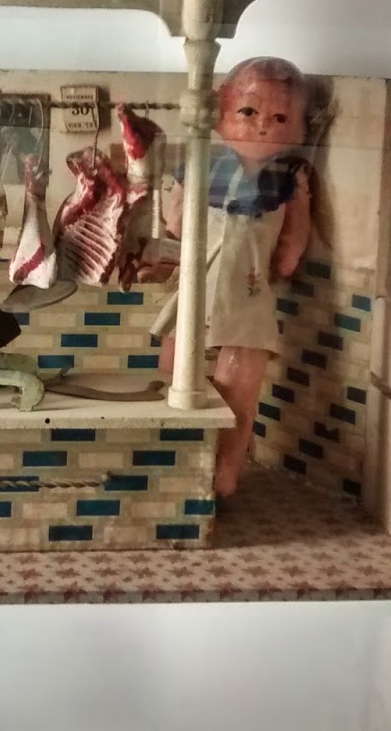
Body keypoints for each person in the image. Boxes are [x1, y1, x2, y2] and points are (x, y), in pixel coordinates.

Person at [158, 56, 317, 497]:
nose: (263, 125)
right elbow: (175, 223)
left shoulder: (289, 177)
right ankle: (176, 467)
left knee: (238, 392)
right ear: (221, 113)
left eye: (279, 117)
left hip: (247, 296)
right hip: (198, 287)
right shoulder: (199, 162)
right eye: (248, 111)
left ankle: (224, 476)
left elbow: (292, 243)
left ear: (298, 126)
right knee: (172, 374)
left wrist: (285, 260)